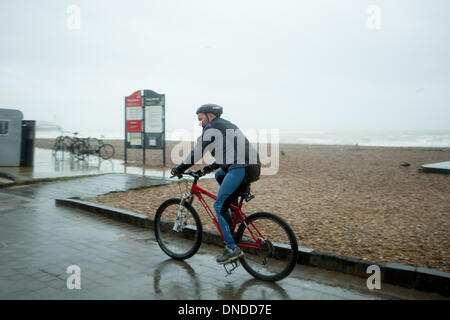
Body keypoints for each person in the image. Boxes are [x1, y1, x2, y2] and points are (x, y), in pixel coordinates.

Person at [171, 104, 261, 265]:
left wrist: (179, 169)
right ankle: (233, 212)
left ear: (210, 116)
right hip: (251, 168)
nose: (200, 123)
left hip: (239, 168)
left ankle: (232, 248)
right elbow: (227, 154)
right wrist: (208, 169)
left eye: (201, 119)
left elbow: (197, 152)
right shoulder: (225, 125)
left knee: (219, 206)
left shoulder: (211, 127)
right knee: (220, 174)